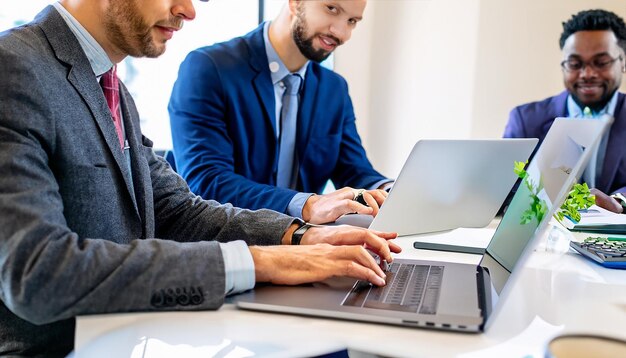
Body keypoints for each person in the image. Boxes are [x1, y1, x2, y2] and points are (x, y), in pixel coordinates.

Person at [0, 0, 402, 355]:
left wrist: (300, 235)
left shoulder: (112, 88)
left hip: (130, 334)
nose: (188, 11)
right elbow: (37, 272)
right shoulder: (14, 67)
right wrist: (258, 261)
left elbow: (177, 210)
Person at [169, 0, 393, 225]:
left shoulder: (334, 88)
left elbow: (354, 170)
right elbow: (206, 180)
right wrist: (306, 205)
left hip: (305, 247)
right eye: (332, 9)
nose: (342, 33)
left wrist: (389, 191)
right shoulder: (208, 68)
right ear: (295, 3)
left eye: (352, 21)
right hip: (227, 245)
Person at [504, 9, 626, 213]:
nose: (587, 74)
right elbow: (505, 189)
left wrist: (618, 201)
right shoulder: (525, 120)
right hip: (545, 240)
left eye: (601, 62)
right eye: (575, 64)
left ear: (622, 62)